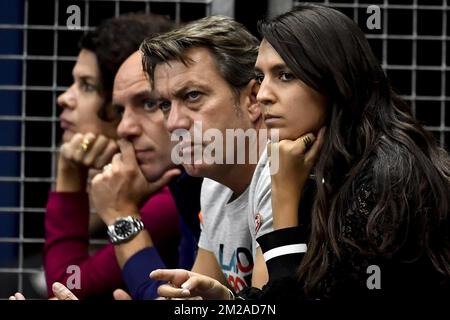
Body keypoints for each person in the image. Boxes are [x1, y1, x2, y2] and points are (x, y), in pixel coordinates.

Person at [149, 3, 450, 302]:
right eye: (262, 76)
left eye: (285, 75)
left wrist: (284, 200)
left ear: (333, 80)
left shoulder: (387, 177)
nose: (264, 94)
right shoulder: (315, 166)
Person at [44, 13, 181, 299]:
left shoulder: (172, 196)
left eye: (88, 86)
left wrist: (69, 175)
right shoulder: (137, 179)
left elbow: (69, 286)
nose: (65, 98)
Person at [134, 15, 270, 296]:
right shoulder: (214, 185)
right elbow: (193, 300)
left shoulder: (279, 175)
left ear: (253, 98)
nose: (173, 123)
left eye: (193, 96)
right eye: (164, 104)